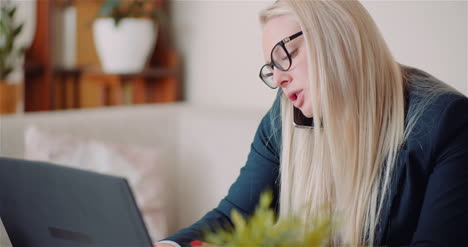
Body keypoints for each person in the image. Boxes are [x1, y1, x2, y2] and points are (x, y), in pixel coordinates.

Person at [155, 0, 468, 246]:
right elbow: (233, 217)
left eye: (286, 55)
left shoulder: (447, 121)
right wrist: (172, 245)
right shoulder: (283, 121)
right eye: (270, 68)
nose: (278, 78)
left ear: (342, 34)